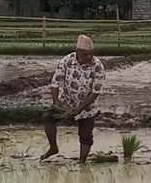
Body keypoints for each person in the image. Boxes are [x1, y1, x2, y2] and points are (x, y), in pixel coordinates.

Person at [41, 34, 106, 163]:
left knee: (86, 135)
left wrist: (80, 108)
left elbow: (95, 91)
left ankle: (82, 162)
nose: (89, 57)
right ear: (78, 52)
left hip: (87, 106)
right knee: (47, 118)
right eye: (85, 54)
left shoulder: (98, 66)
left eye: (91, 54)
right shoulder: (67, 61)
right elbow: (56, 82)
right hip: (67, 102)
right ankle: (53, 147)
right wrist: (56, 102)